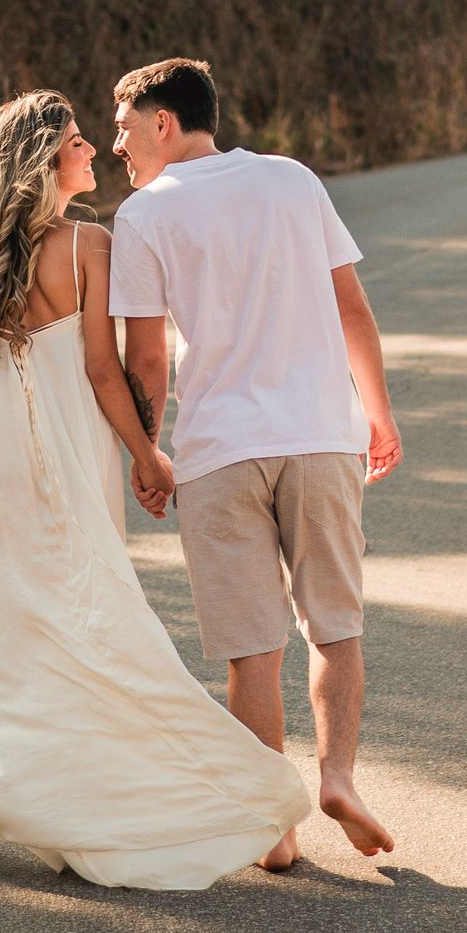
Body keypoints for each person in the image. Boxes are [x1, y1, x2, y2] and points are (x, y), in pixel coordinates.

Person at [0, 89, 311, 889]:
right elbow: (104, 370)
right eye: (76, 142)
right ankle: (235, 794)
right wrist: (147, 455)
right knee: (93, 617)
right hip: (65, 459)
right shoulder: (88, 244)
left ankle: (7, 780)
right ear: (43, 162)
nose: (92, 149)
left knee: (7, 621)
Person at [107, 56, 401, 870]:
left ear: (163, 121)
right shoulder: (293, 180)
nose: (117, 146)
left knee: (252, 648)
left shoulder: (144, 216)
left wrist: (148, 451)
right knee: (335, 626)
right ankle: (337, 775)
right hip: (318, 433)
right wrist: (376, 413)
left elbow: (148, 364)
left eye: (125, 128)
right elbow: (353, 309)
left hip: (219, 452)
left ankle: (276, 826)